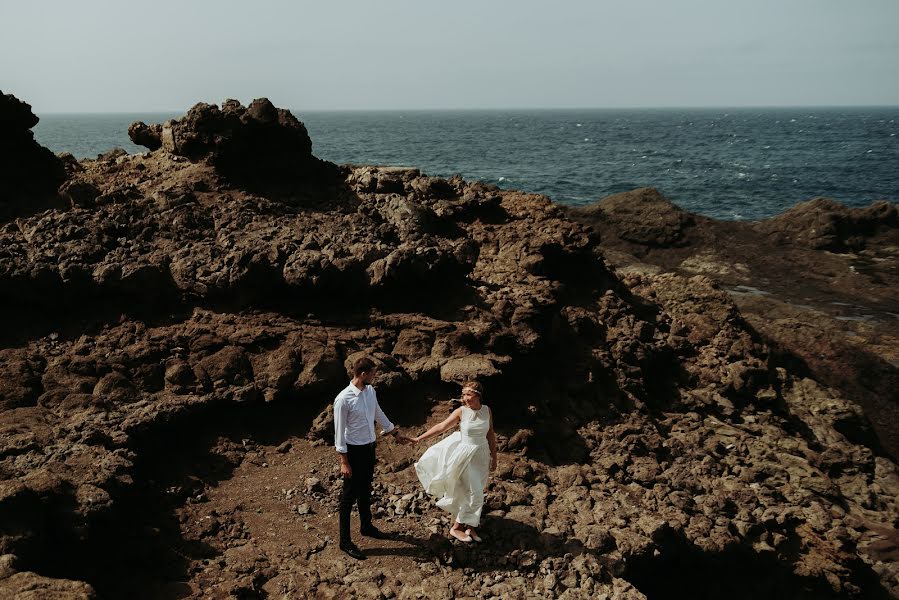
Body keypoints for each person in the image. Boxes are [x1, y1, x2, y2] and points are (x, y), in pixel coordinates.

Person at [334, 356, 409, 560]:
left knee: (366, 488)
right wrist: (344, 461)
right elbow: (339, 432)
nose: (376, 377)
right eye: (373, 373)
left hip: (369, 448)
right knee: (348, 496)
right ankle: (345, 541)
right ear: (363, 374)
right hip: (353, 451)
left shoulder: (370, 391)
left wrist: (393, 432)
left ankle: (366, 526)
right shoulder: (344, 399)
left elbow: (378, 412)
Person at [412, 381, 496, 543]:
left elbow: (490, 435)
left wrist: (494, 457)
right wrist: (419, 438)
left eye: (468, 394)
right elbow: (441, 426)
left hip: (482, 455)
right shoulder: (461, 412)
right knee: (475, 492)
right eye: (464, 394)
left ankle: (470, 527)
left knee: (476, 489)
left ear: (478, 395)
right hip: (465, 455)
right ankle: (456, 527)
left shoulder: (487, 411)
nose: (465, 398)